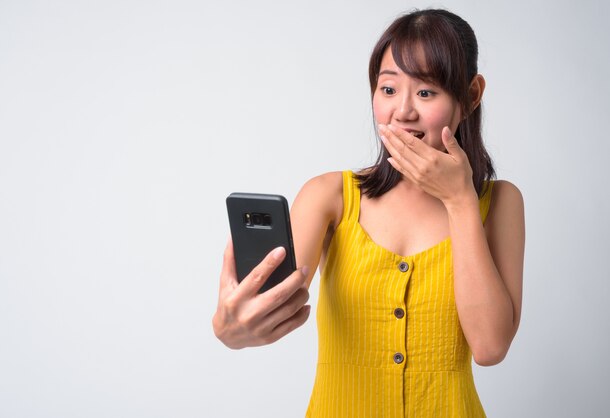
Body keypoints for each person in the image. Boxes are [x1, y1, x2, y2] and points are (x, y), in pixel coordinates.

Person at [212, 8, 525, 417]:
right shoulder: (331, 195)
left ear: (471, 95)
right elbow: (266, 312)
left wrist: (460, 200)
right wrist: (230, 329)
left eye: (426, 92)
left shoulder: (499, 202)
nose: (403, 112)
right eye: (389, 89)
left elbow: (489, 347)